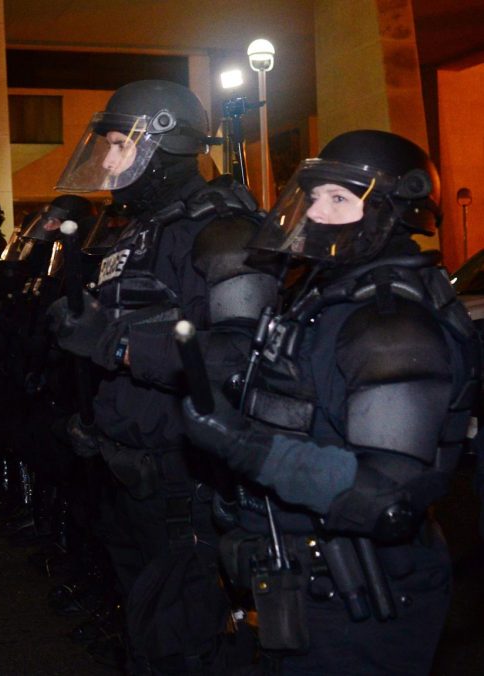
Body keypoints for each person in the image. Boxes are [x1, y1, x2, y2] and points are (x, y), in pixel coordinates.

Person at [182, 130, 479, 674]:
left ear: (396, 212)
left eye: (339, 199)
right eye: (312, 196)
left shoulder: (392, 325)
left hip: (362, 600)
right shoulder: (327, 297)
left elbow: (387, 496)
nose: (315, 213)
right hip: (307, 589)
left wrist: (247, 448)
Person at [48, 79, 276, 672]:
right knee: (148, 637)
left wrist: (115, 342)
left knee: (186, 644)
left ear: (163, 145)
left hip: (186, 488)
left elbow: (236, 360)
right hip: (130, 478)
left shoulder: (223, 230)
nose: (107, 159)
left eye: (120, 144)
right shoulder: (142, 229)